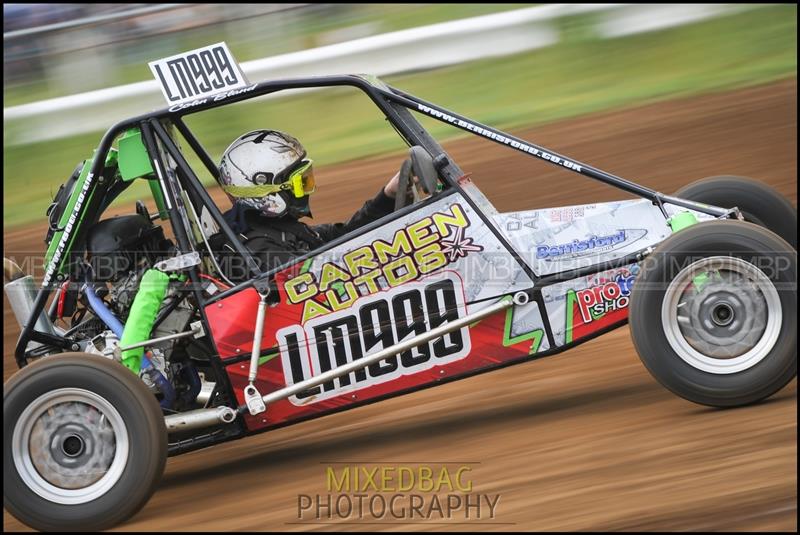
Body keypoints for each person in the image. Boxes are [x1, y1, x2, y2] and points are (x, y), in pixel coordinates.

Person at [209, 130, 409, 283]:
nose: (307, 190)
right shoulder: (259, 250)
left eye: (307, 179)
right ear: (265, 191)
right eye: (300, 183)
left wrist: (388, 196)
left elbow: (345, 235)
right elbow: (324, 285)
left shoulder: (278, 229)